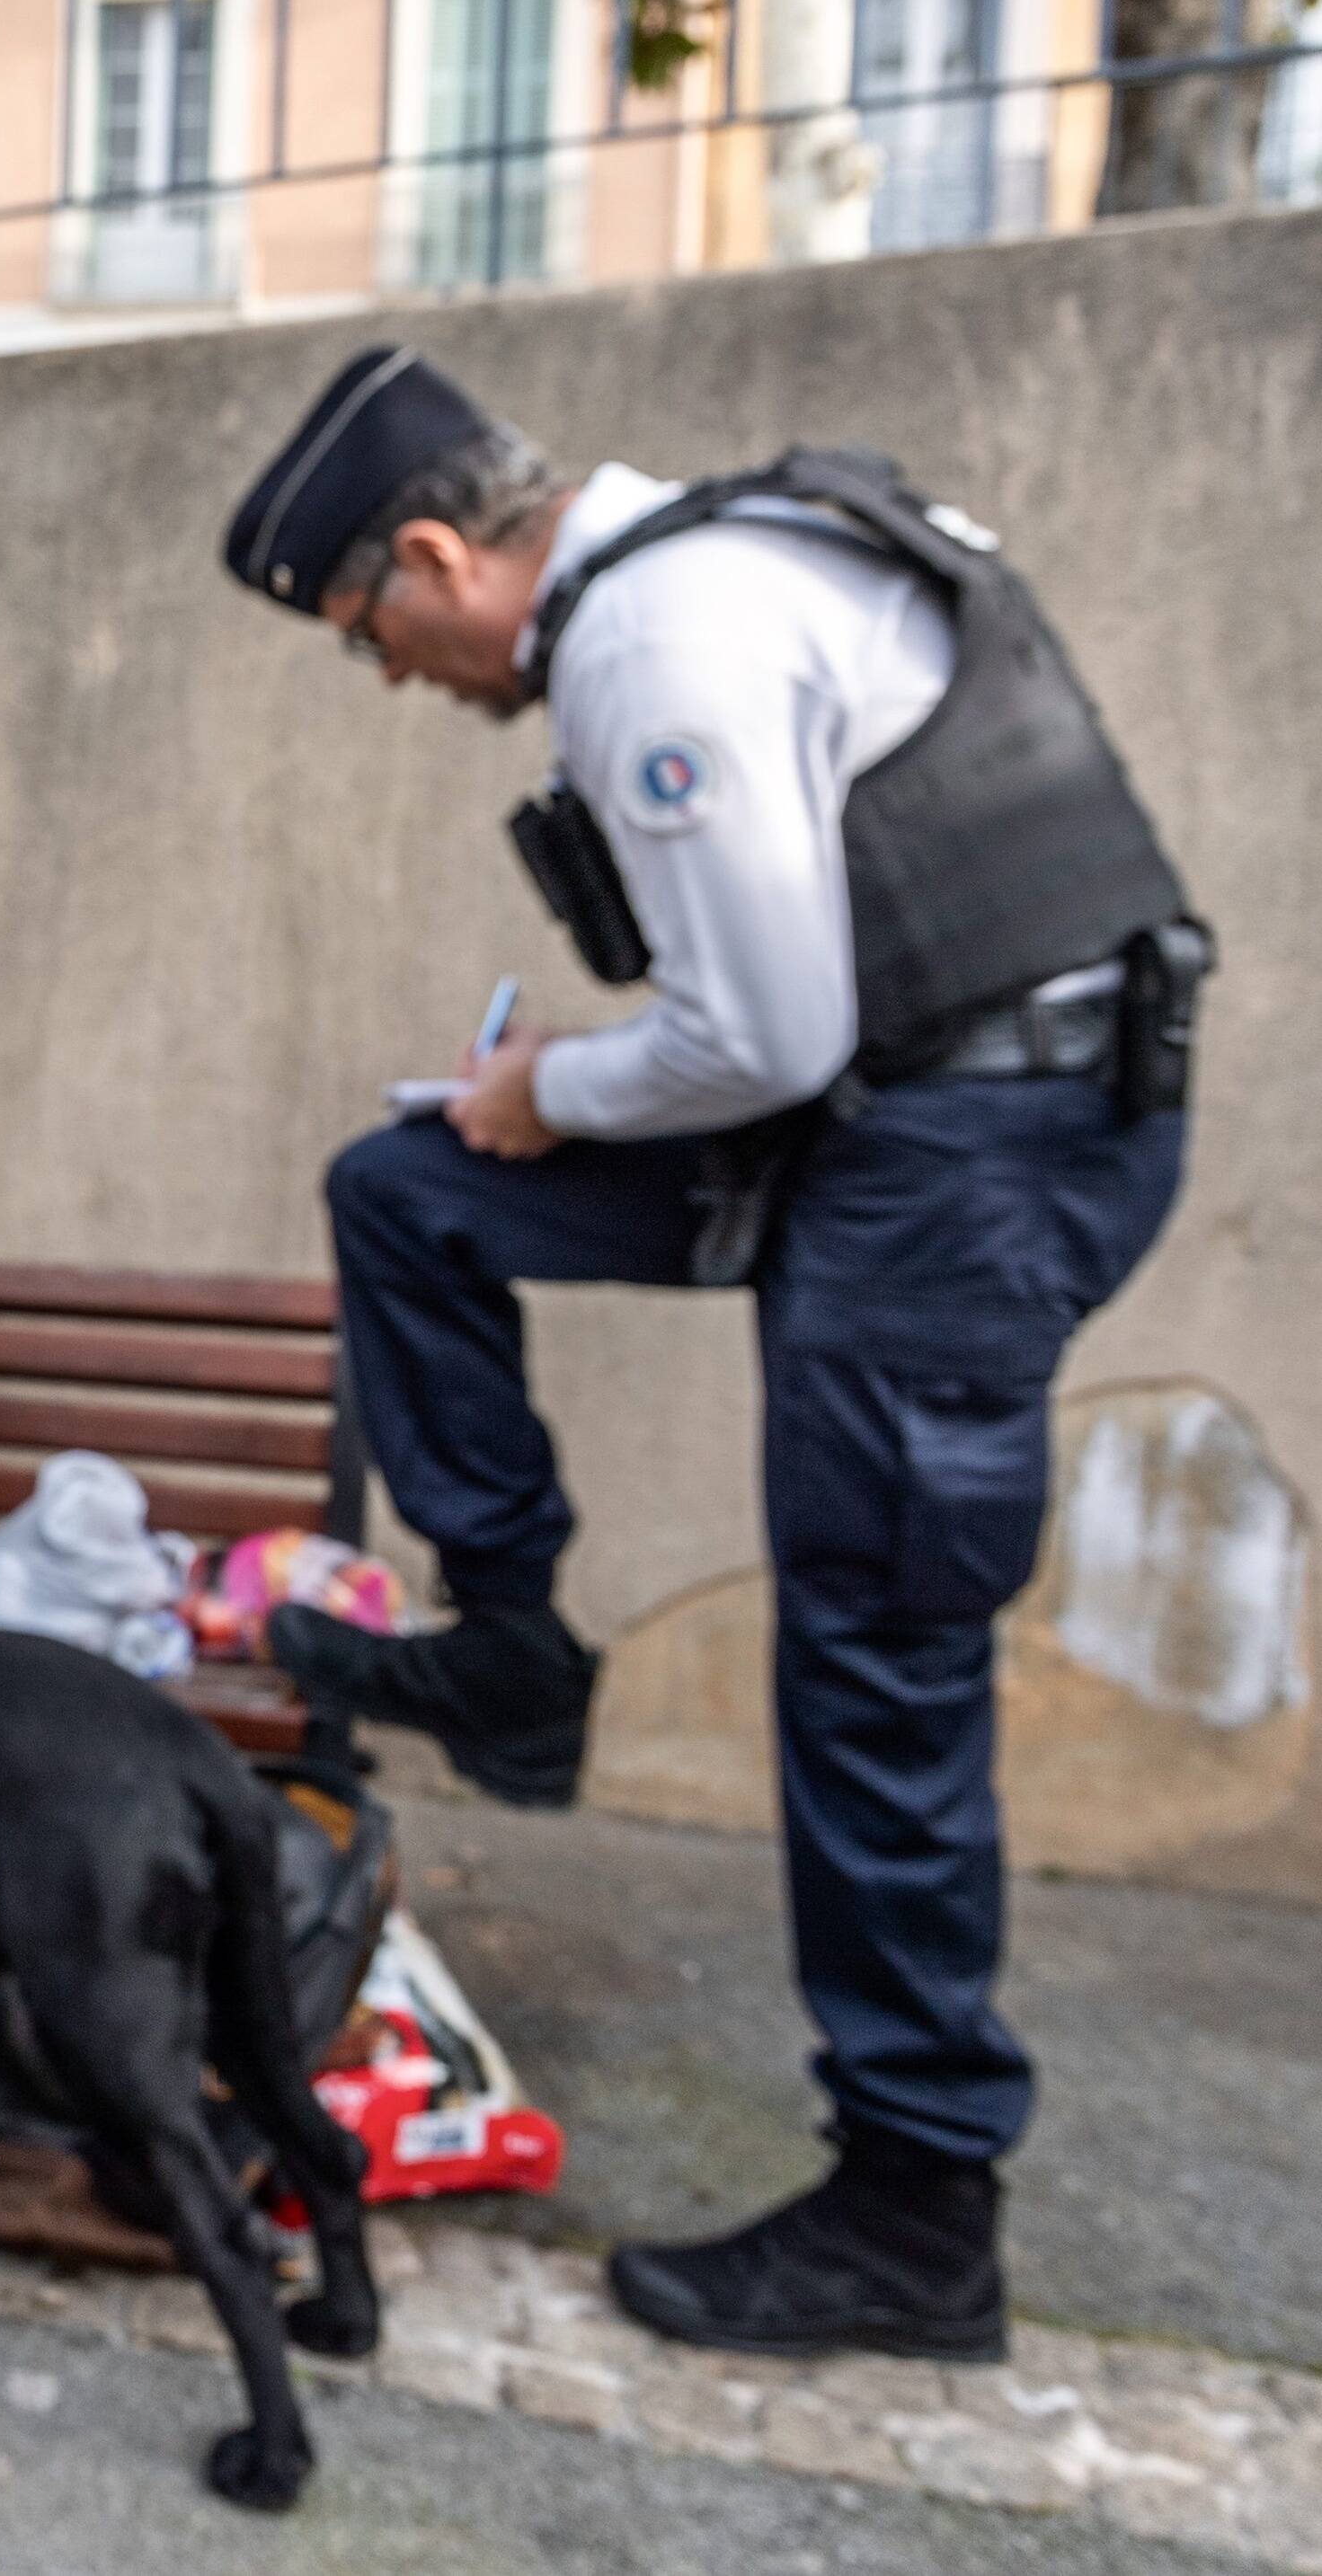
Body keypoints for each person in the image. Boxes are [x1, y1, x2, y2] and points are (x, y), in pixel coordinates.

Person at [224, 348, 1199, 2365]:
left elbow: (761, 1031)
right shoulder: (721, 559)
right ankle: (511, 1639)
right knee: (409, 1191)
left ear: (438, 556)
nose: (391, 675)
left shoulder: (658, 636)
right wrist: (514, 1111)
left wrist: (549, 1086)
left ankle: (917, 2207)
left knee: (872, 1660)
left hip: (959, 1152)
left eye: (370, 632)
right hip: (906, 1118)